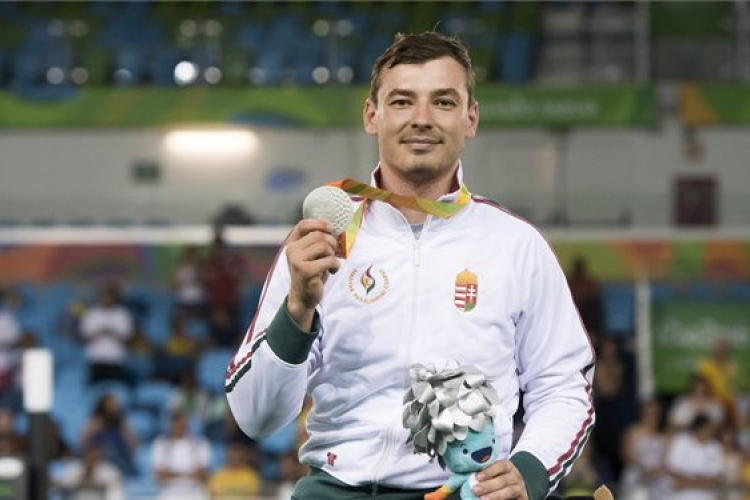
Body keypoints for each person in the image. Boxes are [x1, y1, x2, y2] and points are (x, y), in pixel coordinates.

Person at [226, 31, 595, 500]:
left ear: (471, 118)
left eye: (443, 102)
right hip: (337, 490)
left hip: (464, 491)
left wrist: (531, 468)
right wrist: (298, 309)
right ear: (372, 115)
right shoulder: (319, 245)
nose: (421, 118)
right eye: (402, 101)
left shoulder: (516, 245)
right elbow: (255, 417)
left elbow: (563, 386)